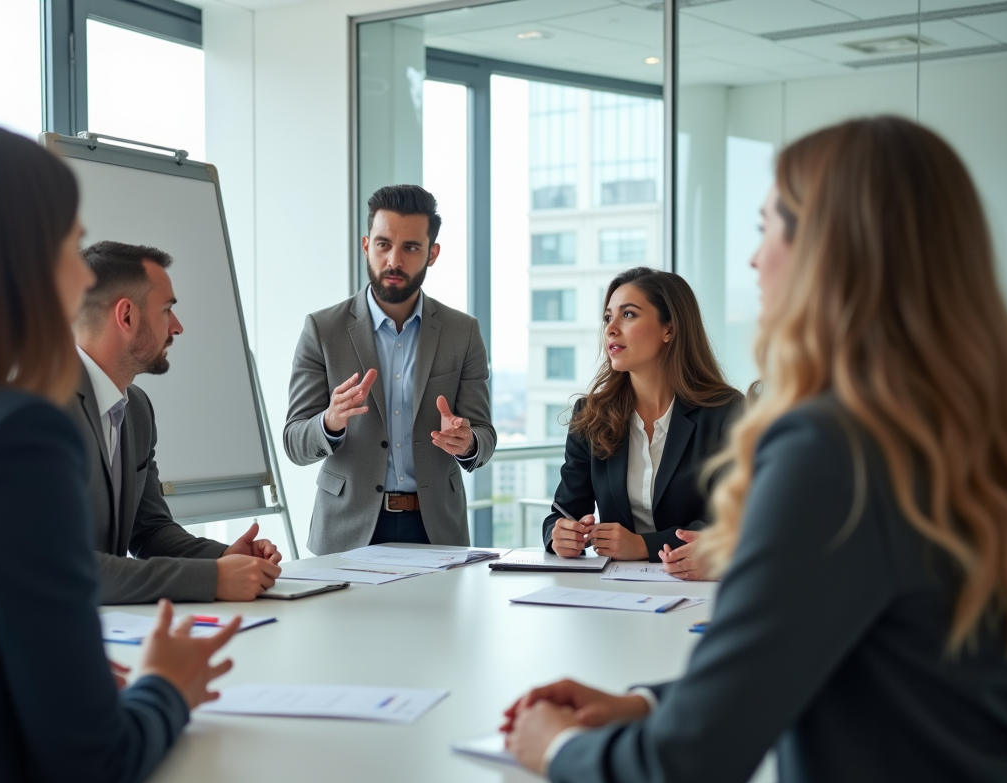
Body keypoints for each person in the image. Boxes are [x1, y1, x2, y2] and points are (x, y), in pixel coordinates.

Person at [502, 116, 1007, 783]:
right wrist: (645, 703)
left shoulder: (831, 447)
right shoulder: (991, 436)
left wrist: (556, 748)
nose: (755, 260)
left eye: (768, 228)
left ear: (834, 249)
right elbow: (868, 669)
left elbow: (684, 771)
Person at [0, 121, 243, 783]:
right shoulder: (14, 435)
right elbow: (90, 765)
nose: (76, 270)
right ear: (11, 261)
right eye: (68, 242)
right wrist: (165, 688)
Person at [284, 184, 495, 554]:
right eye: (383, 244)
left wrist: (468, 442)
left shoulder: (463, 332)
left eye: (410, 247)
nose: (393, 260)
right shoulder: (322, 330)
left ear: (432, 253)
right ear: (366, 246)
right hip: (346, 530)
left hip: (435, 530)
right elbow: (294, 442)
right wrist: (330, 422)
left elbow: (484, 436)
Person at [71, 240, 281, 604]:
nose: (178, 327)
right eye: (167, 310)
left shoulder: (135, 409)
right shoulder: (40, 409)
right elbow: (64, 567)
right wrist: (211, 579)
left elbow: (149, 530)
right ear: (126, 317)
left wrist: (224, 559)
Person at [544, 267, 743, 576]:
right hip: (616, 591)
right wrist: (560, 535)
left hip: (700, 585)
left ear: (670, 329)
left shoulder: (724, 411)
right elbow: (563, 510)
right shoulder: (591, 414)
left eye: (629, 315)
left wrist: (643, 545)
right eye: (608, 318)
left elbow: (731, 519)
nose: (611, 329)